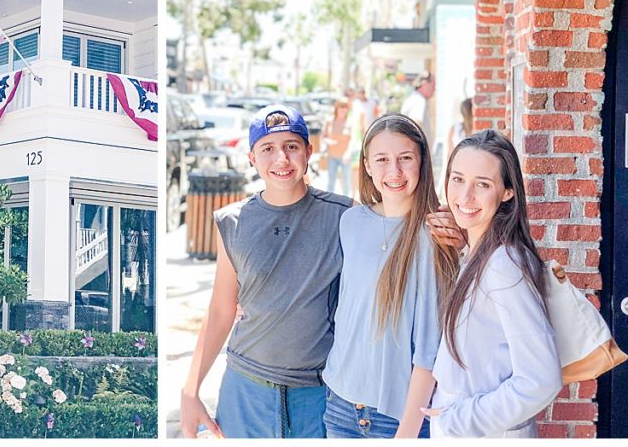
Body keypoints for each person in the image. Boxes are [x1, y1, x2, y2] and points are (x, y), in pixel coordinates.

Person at [180, 104, 353, 439]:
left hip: (317, 394)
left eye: (291, 146)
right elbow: (221, 309)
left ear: (308, 151)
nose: (281, 160)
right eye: (268, 149)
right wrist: (191, 388)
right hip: (245, 390)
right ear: (251, 158)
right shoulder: (232, 221)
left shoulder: (344, 215)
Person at [322, 113, 459, 438]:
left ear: (422, 161)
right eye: (382, 159)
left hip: (399, 418)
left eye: (405, 158)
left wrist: (407, 433)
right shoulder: (351, 222)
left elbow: (430, 348)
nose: (394, 171)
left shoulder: (435, 233)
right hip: (340, 407)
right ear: (367, 165)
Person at [420, 130, 562, 438]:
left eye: (482, 184)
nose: (465, 196)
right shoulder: (476, 253)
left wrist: (458, 420)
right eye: (457, 179)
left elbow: (540, 379)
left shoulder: (505, 265)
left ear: (507, 192)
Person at [321, 99, 353, 196]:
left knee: (346, 182)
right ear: (337, 108)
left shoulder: (349, 122)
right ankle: (329, 203)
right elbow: (323, 136)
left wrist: (348, 153)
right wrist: (328, 141)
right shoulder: (329, 121)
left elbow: (352, 140)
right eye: (341, 107)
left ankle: (347, 205)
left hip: (345, 157)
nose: (343, 109)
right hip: (332, 156)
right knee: (331, 182)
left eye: (345, 107)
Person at [400, 72, 435, 137]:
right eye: (433, 85)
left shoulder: (414, 98)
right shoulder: (419, 100)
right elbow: (416, 124)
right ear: (425, 84)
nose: (434, 89)